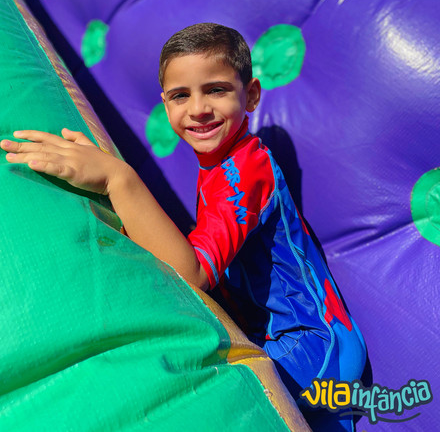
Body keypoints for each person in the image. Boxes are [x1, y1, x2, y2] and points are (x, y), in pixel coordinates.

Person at [1, 23, 365, 431]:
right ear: (165, 103)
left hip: (312, 348)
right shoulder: (221, 163)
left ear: (251, 95)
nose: (198, 109)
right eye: (180, 96)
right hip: (285, 341)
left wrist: (117, 179)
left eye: (216, 90)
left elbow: (194, 275)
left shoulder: (245, 169)